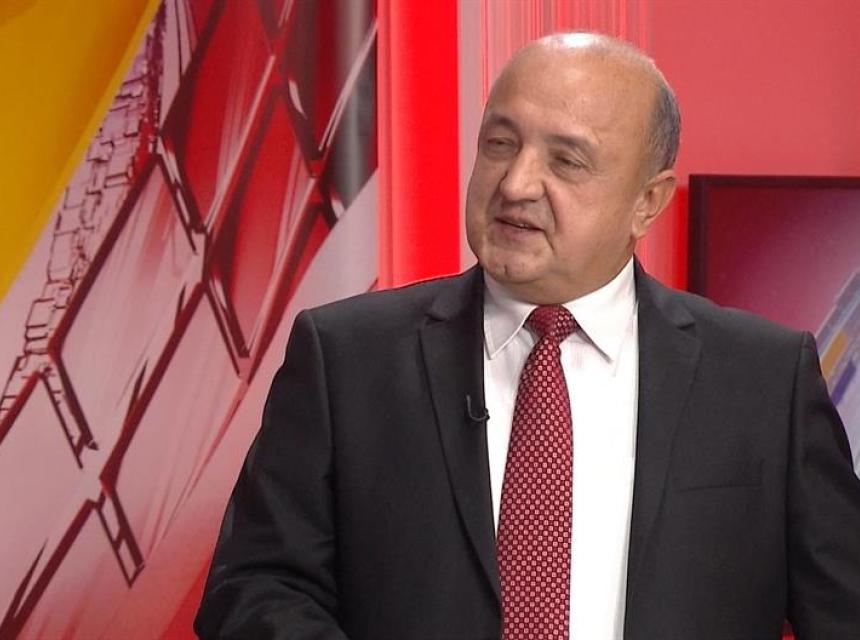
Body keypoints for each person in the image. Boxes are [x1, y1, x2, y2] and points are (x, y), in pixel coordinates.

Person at [194, 32, 860, 640]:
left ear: (647, 201)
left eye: (566, 161)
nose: (515, 184)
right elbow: (253, 587)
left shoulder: (764, 380)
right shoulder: (345, 357)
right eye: (500, 144)